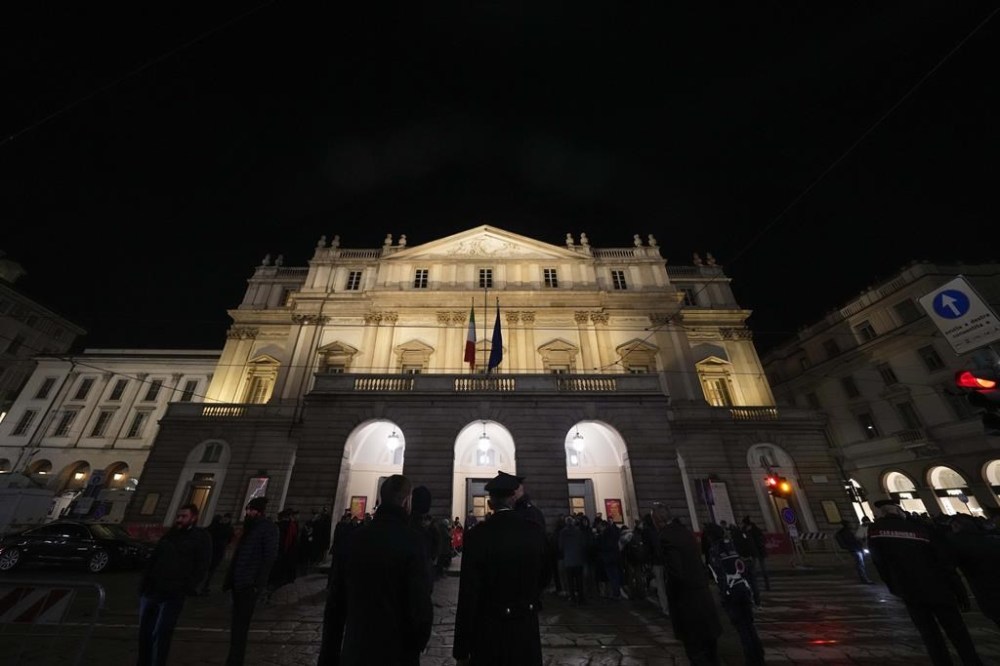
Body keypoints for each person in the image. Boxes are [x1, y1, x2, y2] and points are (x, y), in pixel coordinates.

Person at [320, 474, 433, 665]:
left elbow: (335, 605)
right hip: (398, 650)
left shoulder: (354, 539)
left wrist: (329, 655)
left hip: (357, 648)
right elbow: (420, 603)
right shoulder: (414, 542)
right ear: (406, 501)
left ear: (381, 498)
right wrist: (417, 643)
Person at [868, 499, 983, 666]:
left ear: (881, 513)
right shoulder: (921, 528)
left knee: (929, 635)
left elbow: (880, 563)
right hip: (939, 587)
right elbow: (944, 562)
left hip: (910, 591)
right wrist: (959, 590)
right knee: (958, 632)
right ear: (900, 512)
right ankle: (972, 661)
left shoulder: (876, 531)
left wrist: (893, 586)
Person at [454, 471, 550, 665]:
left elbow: (468, 593)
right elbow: (545, 574)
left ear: (490, 504)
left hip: (489, 628)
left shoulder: (477, 536)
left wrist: (461, 649)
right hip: (525, 625)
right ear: (514, 499)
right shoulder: (533, 531)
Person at [137, 503, 212, 666]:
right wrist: (144, 584)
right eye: (178, 516)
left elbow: (203, 565)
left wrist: (188, 586)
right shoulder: (170, 535)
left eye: (183, 516)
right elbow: (154, 559)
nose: (179, 519)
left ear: (194, 517)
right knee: (145, 633)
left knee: (161, 633)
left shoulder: (201, 537)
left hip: (173, 593)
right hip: (152, 590)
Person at [652, 504, 723, 665]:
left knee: (696, 653)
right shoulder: (685, 532)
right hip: (703, 598)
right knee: (711, 652)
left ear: (657, 521)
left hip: (688, 604)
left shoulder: (666, 537)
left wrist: (669, 593)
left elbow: (676, 573)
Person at [224, 496, 279, 666]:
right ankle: (233, 658)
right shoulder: (249, 529)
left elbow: (269, 557)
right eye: (247, 510)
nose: (247, 513)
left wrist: (258, 584)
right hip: (239, 582)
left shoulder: (266, 528)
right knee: (236, 624)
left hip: (249, 584)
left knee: (241, 625)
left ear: (258, 511)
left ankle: (235, 660)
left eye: (250, 510)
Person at [704, 523, 765, 666]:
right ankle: (759, 655)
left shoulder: (715, 550)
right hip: (744, 589)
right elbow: (746, 570)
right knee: (749, 626)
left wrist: (724, 594)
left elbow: (720, 574)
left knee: (741, 628)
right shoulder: (732, 546)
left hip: (732, 593)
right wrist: (755, 594)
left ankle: (751, 658)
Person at [201, 512, 234, 595]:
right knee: (209, 569)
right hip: (217, 550)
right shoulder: (226, 528)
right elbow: (229, 539)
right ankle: (203, 586)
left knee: (208, 569)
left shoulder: (216, 528)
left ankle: (203, 586)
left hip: (214, 550)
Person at [834, 519, 873, 584]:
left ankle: (864, 578)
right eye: (849, 524)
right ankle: (864, 579)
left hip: (855, 549)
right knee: (860, 564)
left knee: (860, 564)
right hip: (855, 549)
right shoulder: (846, 532)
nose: (851, 525)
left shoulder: (845, 532)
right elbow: (852, 541)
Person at [741, 516, 771, 592]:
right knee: (761, 569)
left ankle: (757, 586)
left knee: (754, 570)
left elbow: (746, 541)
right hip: (759, 552)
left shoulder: (747, 531)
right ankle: (766, 585)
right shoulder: (756, 529)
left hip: (754, 552)